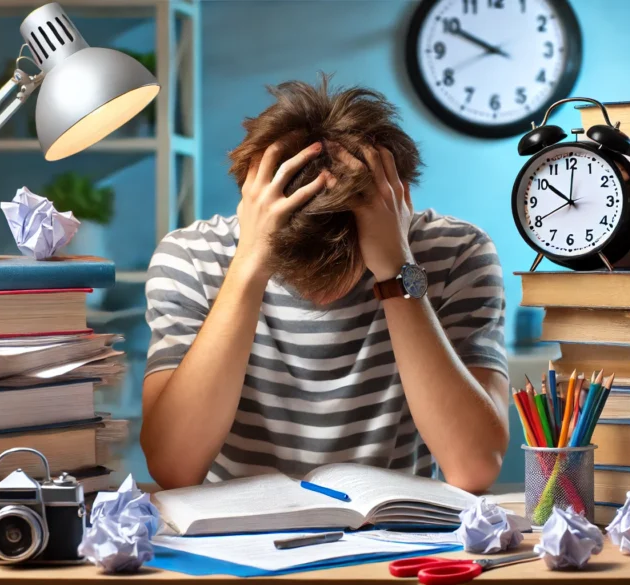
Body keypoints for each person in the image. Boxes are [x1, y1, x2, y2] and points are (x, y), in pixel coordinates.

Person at [140, 76, 509, 492]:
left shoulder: (457, 252)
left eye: (349, 270)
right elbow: (173, 467)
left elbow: (475, 466)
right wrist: (248, 267)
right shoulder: (190, 256)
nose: (324, 299)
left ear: (397, 202)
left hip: (396, 535)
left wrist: (396, 270)